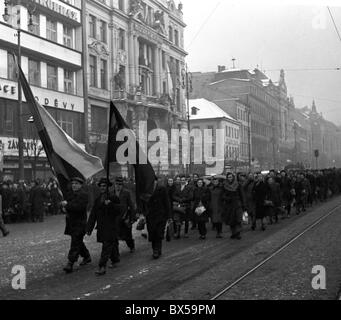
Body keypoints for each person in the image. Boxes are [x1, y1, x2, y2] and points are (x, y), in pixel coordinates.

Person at [87, 178, 122, 276]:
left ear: (108, 187)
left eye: (104, 186)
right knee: (112, 243)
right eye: (101, 186)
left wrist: (110, 205)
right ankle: (115, 259)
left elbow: (119, 210)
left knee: (106, 247)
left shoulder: (113, 197)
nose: (102, 188)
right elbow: (93, 214)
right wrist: (89, 228)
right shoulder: (98, 199)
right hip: (102, 227)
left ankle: (102, 266)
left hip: (111, 226)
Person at [62, 177, 91, 274]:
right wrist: (64, 207)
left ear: (80, 185)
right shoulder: (70, 194)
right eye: (73, 183)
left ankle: (70, 263)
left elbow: (79, 207)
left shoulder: (84, 195)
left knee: (75, 243)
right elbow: (69, 206)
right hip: (71, 223)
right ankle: (86, 256)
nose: (74, 185)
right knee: (78, 241)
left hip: (80, 223)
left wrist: (67, 205)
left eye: (76, 183)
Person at [144, 177, 172, 259]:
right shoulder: (146, 190)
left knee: (159, 233)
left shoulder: (162, 189)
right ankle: (155, 249)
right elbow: (143, 202)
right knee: (152, 233)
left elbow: (167, 202)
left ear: (156, 181)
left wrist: (169, 216)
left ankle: (156, 250)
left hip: (161, 215)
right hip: (150, 216)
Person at [114, 177, 137, 253]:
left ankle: (131, 246)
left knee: (127, 235)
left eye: (120, 184)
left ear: (122, 185)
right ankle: (115, 252)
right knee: (115, 236)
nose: (118, 186)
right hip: (115, 218)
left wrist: (132, 218)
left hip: (124, 217)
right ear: (114, 184)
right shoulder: (111, 193)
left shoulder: (126, 193)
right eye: (117, 184)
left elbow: (131, 205)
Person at [223, 173, 245, 240]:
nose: (230, 178)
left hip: (237, 204)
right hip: (229, 205)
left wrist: (243, 204)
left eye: (231, 177)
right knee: (231, 220)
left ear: (233, 177)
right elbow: (223, 195)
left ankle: (238, 233)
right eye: (229, 177)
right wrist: (226, 198)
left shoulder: (238, 185)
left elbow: (242, 195)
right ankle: (233, 233)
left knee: (238, 219)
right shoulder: (225, 186)